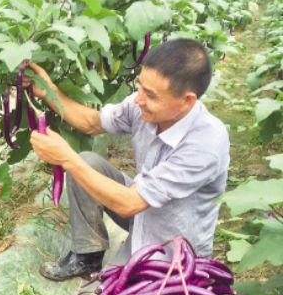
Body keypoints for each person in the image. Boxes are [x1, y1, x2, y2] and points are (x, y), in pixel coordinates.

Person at [25, 38, 230, 281]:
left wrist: (66, 159)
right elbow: (90, 122)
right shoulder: (141, 105)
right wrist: (50, 91)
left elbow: (130, 203)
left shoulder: (206, 143)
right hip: (141, 214)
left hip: (169, 250)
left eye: (151, 94)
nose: (138, 98)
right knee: (88, 162)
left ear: (187, 101)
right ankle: (87, 256)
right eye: (140, 86)